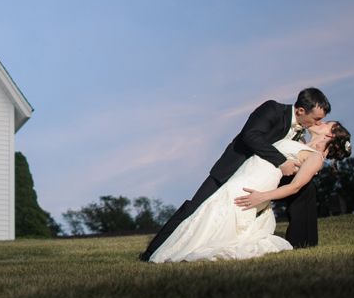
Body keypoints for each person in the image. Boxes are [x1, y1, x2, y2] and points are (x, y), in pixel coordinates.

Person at [139, 88, 331, 261]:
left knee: (306, 189)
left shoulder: (301, 132)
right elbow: (250, 136)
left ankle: (303, 243)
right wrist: (281, 161)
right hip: (236, 168)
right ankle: (152, 252)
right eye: (315, 119)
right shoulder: (272, 109)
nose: (318, 123)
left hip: (265, 175)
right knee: (194, 208)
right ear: (300, 111)